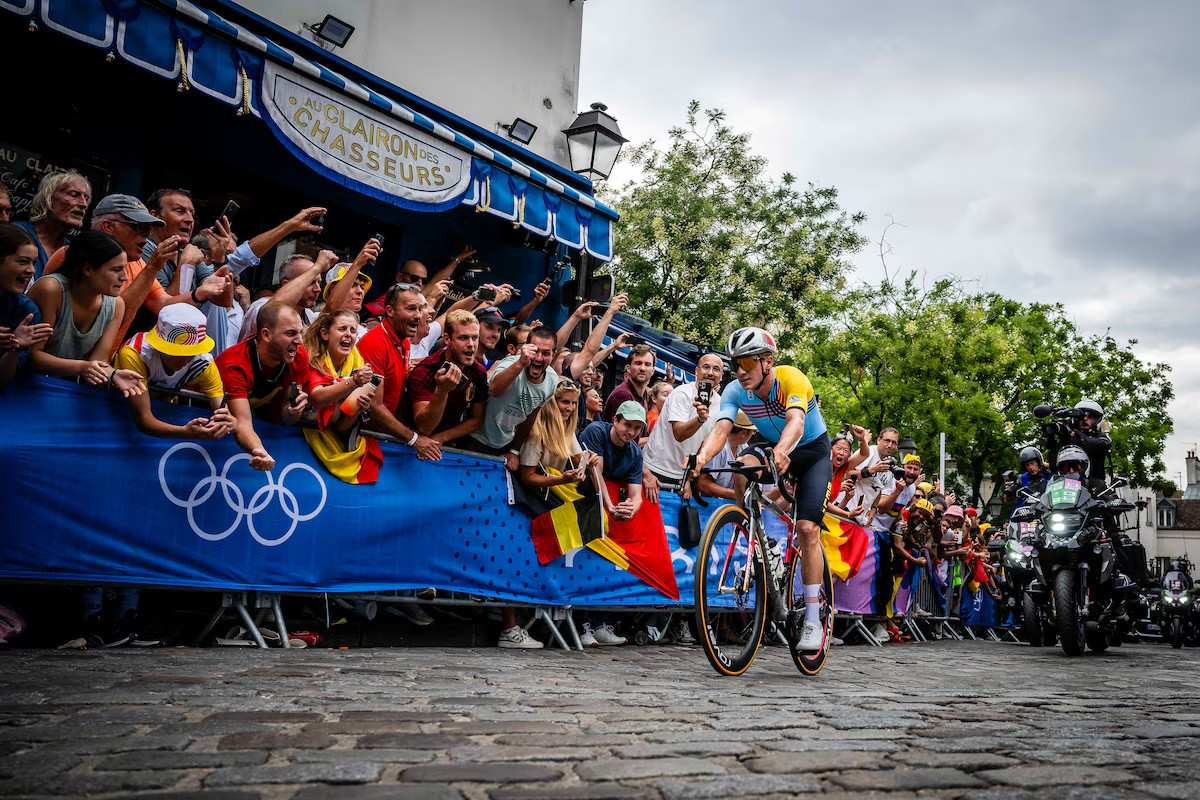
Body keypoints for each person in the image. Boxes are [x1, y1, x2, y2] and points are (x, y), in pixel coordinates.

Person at [684, 326, 830, 652]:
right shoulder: (736, 391)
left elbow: (795, 421)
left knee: (807, 529)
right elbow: (721, 430)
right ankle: (754, 535)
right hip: (772, 444)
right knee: (740, 469)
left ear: (767, 361)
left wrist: (783, 451)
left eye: (746, 363)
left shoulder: (791, 379)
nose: (739, 371)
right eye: (735, 364)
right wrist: (700, 458)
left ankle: (811, 619)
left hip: (811, 452)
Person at [506, 377, 596, 649]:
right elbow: (528, 477)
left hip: (548, 503)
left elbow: (579, 457)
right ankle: (509, 627)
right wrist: (561, 480)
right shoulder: (536, 431)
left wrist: (590, 461)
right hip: (527, 501)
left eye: (571, 402)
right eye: (563, 401)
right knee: (518, 560)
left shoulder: (567, 431)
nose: (568, 407)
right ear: (551, 402)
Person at [26, 231, 145, 397]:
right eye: (116, 270)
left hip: (64, 394)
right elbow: (31, 355)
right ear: (88, 269)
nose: (124, 277)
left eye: (124, 269)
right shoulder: (51, 290)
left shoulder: (116, 305)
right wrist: (82, 368)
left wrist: (113, 374)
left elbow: (98, 361)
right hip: (23, 387)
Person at [577, 400, 653, 647]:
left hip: (601, 512)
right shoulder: (596, 431)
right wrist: (610, 506)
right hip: (577, 498)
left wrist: (631, 509)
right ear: (616, 420)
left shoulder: (634, 452)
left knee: (603, 568)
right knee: (580, 566)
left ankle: (600, 624)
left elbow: (637, 495)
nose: (630, 432)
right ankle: (581, 626)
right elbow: (595, 472)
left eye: (636, 428)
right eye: (627, 425)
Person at [112, 304, 237, 439]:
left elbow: (223, 413)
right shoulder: (135, 354)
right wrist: (185, 432)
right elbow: (143, 419)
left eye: (192, 352)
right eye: (177, 352)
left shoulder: (204, 363)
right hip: (115, 413)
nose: (186, 360)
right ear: (160, 346)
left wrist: (231, 423)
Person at [215, 301, 312, 471]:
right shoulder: (234, 364)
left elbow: (287, 418)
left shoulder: (298, 356)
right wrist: (258, 450)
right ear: (266, 335)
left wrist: (294, 410)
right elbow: (242, 422)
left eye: (300, 332)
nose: (299, 341)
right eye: (291, 333)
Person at [356, 282, 441, 461]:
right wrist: (414, 439)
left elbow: (398, 395)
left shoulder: (404, 341)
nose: (418, 316)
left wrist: (410, 432)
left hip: (385, 439)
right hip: (362, 440)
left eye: (420, 309)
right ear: (390, 311)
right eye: (411, 309)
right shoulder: (375, 343)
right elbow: (374, 407)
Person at [299, 309, 383, 484]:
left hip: (330, 437)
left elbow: (342, 426)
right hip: (295, 437)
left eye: (353, 331)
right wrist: (353, 383)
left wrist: (358, 408)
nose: (348, 335)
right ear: (325, 334)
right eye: (342, 329)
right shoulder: (312, 356)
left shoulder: (357, 362)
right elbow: (317, 398)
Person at [468, 325, 559, 469]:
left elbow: (531, 416)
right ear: (526, 349)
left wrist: (514, 450)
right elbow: (494, 391)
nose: (539, 358)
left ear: (554, 354)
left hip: (503, 445)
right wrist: (521, 363)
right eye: (535, 351)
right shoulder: (510, 364)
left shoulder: (552, 380)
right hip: (473, 438)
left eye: (546, 353)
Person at [642, 353, 724, 494]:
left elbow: (707, 442)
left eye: (716, 369)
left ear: (721, 375)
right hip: (656, 469)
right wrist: (700, 419)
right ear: (696, 371)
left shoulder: (720, 403)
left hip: (682, 474)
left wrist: (689, 477)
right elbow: (679, 433)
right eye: (706, 367)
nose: (710, 372)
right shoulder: (682, 394)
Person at [405, 309, 488, 445]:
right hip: (410, 443)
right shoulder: (424, 370)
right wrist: (442, 391)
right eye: (463, 337)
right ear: (447, 339)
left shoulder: (478, 372)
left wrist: (442, 438)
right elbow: (424, 427)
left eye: (475, 337)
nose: (471, 344)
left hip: (443, 445)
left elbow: (477, 420)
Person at [0, 225, 53, 389]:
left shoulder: (26, 311)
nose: (31, 270)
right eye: (23, 262)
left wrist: (15, 349)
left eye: (34, 263)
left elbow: (3, 381)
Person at [14, 170, 91, 280]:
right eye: (74, 195)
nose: (83, 204)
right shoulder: (18, 234)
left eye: (86, 199)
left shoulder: (72, 252)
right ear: (48, 199)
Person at [695, 411, 758, 501]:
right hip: (709, 504)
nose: (752, 435)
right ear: (744, 433)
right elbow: (703, 484)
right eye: (753, 432)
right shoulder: (718, 448)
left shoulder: (743, 447)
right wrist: (737, 495)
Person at [603, 343, 656, 422]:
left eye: (647, 364)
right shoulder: (623, 394)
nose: (642, 368)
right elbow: (623, 432)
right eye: (638, 363)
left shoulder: (644, 394)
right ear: (628, 368)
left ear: (652, 371)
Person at [827, 426, 871, 518]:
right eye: (839, 448)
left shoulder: (842, 469)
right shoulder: (822, 467)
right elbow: (823, 502)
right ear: (831, 449)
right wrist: (848, 514)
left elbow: (864, 454)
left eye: (846, 451)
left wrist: (862, 439)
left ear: (849, 455)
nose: (842, 453)